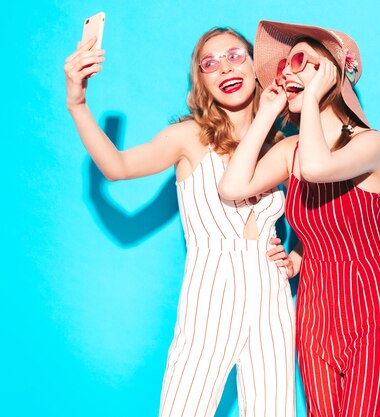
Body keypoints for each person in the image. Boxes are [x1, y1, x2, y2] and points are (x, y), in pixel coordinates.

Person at [64, 27, 296, 417]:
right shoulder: (190, 137)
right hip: (211, 293)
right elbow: (117, 167)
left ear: (257, 67)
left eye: (235, 55)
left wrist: (297, 255)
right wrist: (78, 103)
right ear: (202, 81)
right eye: (210, 63)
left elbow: (318, 213)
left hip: (273, 297)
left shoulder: (281, 141)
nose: (225, 67)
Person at [218, 20, 380, 417]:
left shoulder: (370, 143)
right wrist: (267, 112)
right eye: (283, 65)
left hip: (372, 307)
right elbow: (232, 187)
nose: (285, 71)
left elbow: (318, 167)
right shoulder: (291, 149)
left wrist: (313, 99)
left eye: (300, 61)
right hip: (314, 313)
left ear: (331, 74)